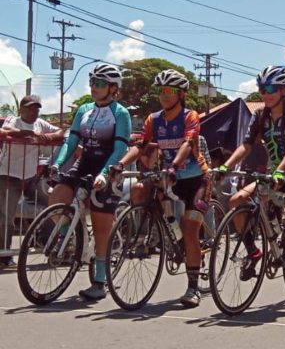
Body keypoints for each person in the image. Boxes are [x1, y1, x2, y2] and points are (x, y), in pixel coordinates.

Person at [219, 65, 285, 314]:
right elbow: (247, 145)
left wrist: (281, 169)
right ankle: (254, 251)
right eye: (262, 89)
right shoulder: (259, 115)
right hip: (271, 175)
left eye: (271, 88)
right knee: (237, 200)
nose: (266, 93)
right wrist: (225, 167)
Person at [116, 69, 211, 308]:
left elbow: (189, 143)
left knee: (190, 229)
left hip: (195, 179)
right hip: (170, 178)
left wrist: (175, 165)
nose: (164, 95)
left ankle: (192, 287)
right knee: (139, 189)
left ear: (180, 94)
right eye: (161, 91)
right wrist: (120, 164)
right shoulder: (153, 119)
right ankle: (161, 228)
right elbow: (142, 146)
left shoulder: (190, 116)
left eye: (169, 91)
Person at [49, 63, 132, 299]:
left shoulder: (120, 113)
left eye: (100, 83)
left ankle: (99, 282)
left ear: (113, 88)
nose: (94, 87)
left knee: (100, 226)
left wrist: (105, 174)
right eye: (92, 82)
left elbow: (120, 148)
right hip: (84, 163)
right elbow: (71, 141)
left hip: (108, 167)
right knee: (57, 198)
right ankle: (75, 239)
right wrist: (57, 163)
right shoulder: (84, 108)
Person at [0, 95, 63, 268]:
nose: (33, 111)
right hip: (8, 175)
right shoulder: (13, 120)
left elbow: (60, 132)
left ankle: (44, 241)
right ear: (21, 109)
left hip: (31, 176)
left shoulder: (41, 124)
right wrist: (27, 134)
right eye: (29, 108)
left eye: (36, 108)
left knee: (52, 204)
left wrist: (48, 137)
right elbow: (3, 132)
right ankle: (4, 255)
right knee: (6, 216)